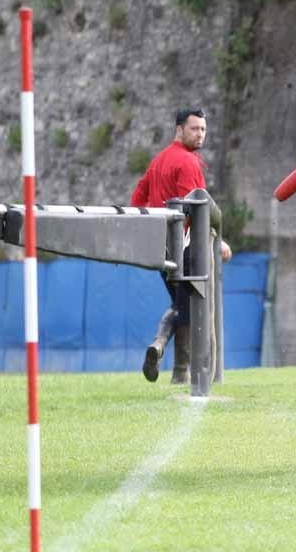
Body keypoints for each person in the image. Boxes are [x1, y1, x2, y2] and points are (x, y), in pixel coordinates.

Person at [130, 108, 232, 384]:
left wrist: (150, 235)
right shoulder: (188, 163)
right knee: (194, 310)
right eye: (194, 129)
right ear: (179, 130)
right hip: (187, 248)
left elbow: (137, 200)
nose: (200, 134)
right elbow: (195, 208)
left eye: (203, 129)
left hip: (161, 248)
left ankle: (177, 371)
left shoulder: (158, 161)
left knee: (182, 307)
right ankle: (166, 349)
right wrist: (216, 239)